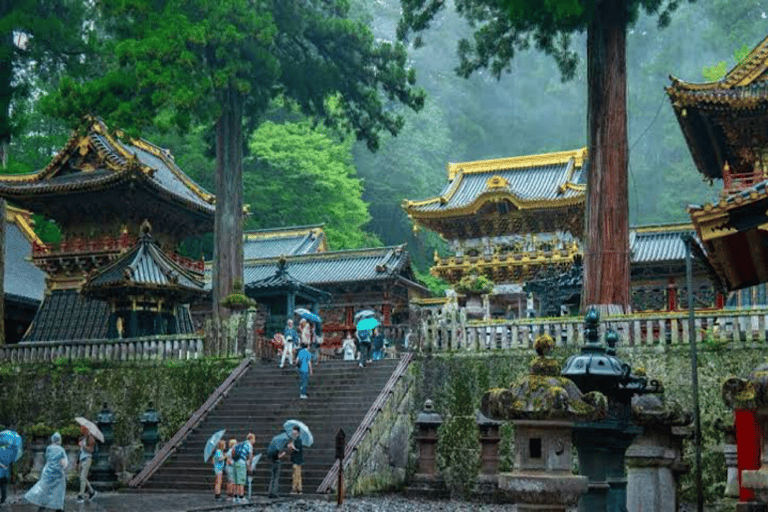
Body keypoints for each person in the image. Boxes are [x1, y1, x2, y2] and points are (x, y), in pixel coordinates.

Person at [25, 432, 68, 512]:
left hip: (48, 473)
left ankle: (42, 507)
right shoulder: (61, 450)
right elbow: (65, 463)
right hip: (58, 474)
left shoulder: (49, 448)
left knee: (44, 490)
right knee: (58, 492)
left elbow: (47, 458)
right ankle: (59, 508)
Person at [231, 434, 255, 504]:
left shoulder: (240, 443)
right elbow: (250, 457)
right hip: (241, 463)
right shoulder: (249, 445)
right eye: (254, 439)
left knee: (236, 481)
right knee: (241, 480)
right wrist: (249, 466)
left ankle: (235, 497)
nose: (254, 441)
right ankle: (241, 497)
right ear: (251, 439)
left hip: (235, 463)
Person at [76, 425, 97, 502]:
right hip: (82, 459)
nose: (82, 431)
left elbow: (91, 450)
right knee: (81, 477)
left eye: (83, 429)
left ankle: (81, 495)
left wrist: (84, 446)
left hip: (87, 459)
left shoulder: (90, 438)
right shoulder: (83, 438)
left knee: (82, 477)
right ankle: (91, 491)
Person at [266, 431, 290, 498]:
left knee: (272, 477)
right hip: (277, 462)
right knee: (276, 478)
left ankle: (270, 492)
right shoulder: (277, 448)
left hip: (273, 462)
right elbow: (278, 457)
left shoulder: (272, 448)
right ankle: (274, 492)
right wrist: (283, 454)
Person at [289, 426, 303, 495]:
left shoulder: (299, 440)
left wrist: (293, 447)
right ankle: (298, 489)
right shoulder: (294, 440)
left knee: (296, 475)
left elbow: (299, 449)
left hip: (297, 460)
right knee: (296, 474)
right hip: (295, 459)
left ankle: (296, 489)